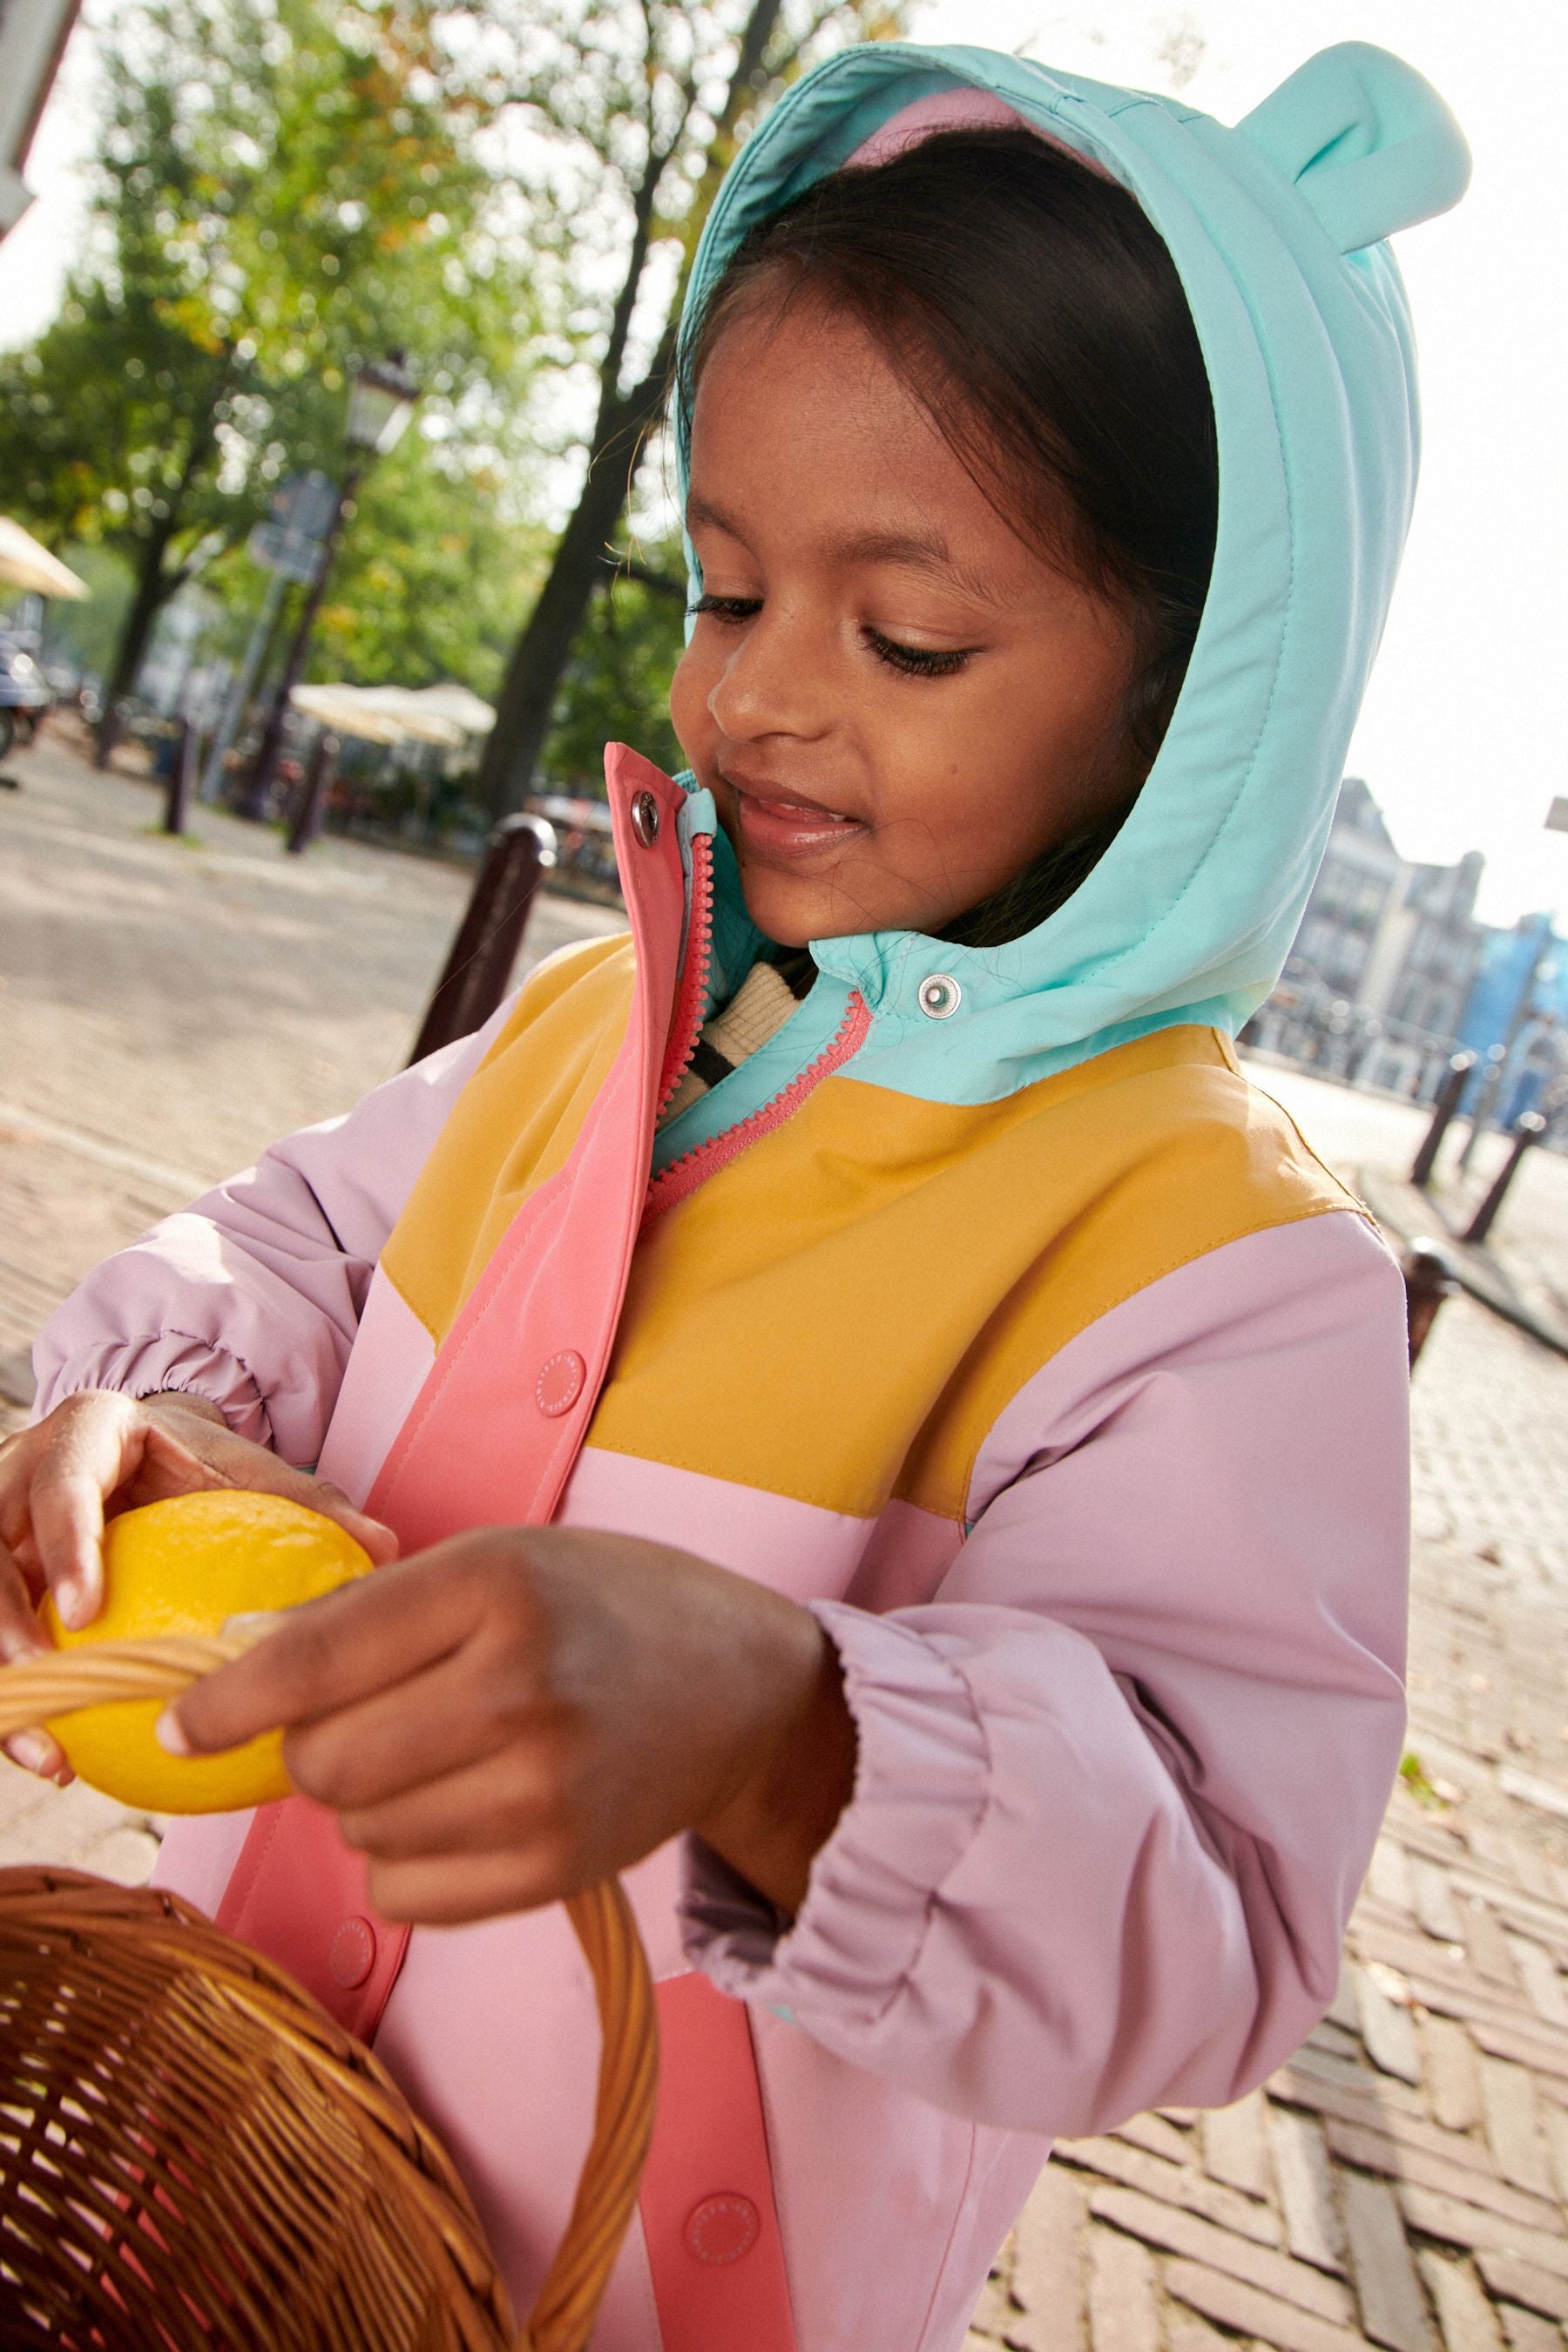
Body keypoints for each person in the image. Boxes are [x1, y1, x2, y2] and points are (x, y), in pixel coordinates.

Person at [3, 38, 1469, 2352]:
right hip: (228, 2162)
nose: (767, 698)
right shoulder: (607, 1020)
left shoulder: (1209, 1260)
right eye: (725, 585)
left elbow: (1218, 1913)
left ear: (1186, 698)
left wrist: (792, 1724)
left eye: (905, 635)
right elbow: (283, 1246)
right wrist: (145, 1406)